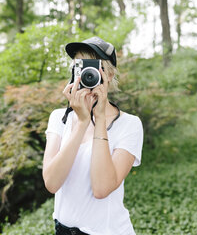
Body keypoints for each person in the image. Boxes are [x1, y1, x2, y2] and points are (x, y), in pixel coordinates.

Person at [43, 36, 144, 235]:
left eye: (95, 67)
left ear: (110, 74)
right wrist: (81, 123)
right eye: (81, 66)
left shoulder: (129, 124)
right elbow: (52, 183)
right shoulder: (59, 118)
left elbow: (102, 188)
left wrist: (98, 119)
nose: (88, 74)